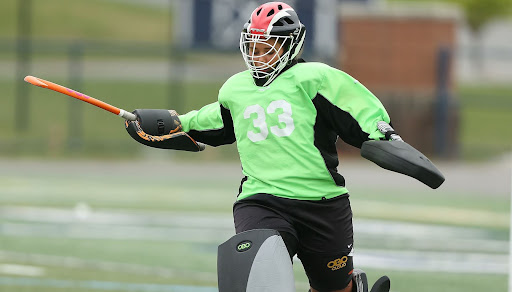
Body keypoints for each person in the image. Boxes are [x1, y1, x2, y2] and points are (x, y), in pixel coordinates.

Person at [127, 2, 398, 291]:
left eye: (268, 47)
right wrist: (173, 123)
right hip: (261, 200)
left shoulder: (315, 79)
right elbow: (214, 120)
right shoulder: (236, 88)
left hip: (323, 205)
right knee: (257, 275)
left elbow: (357, 106)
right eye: (254, 48)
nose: (259, 56)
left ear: (291, 46)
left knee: (332, 287)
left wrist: (384, 135)